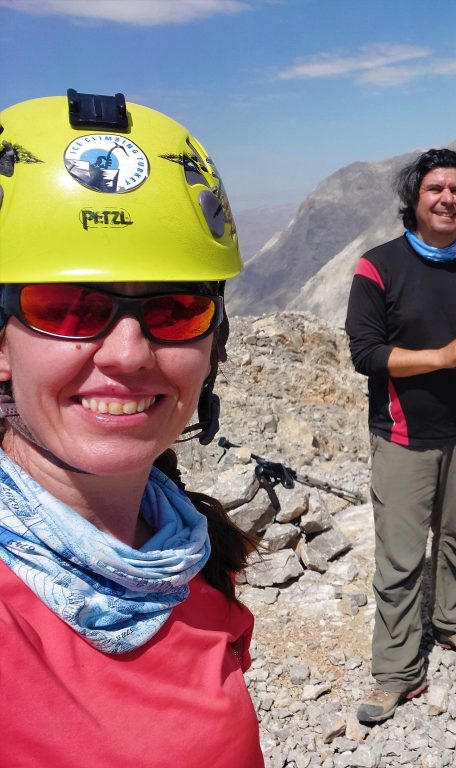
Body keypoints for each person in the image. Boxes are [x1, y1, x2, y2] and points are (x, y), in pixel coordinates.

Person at [0, 90, 263, 765]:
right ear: (1, 346)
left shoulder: (191, 553)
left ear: (213, 343)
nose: (127, 353)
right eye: (66, 308)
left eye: (175, 309)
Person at [345, 148, 456, 724]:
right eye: (435, 189)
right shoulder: (377, 268)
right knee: (399, 554)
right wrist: (441, 358)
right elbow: (365, 354)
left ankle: (452, 621)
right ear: (413, 201)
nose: (447, 199)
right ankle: (395, 672)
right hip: (402, 435)